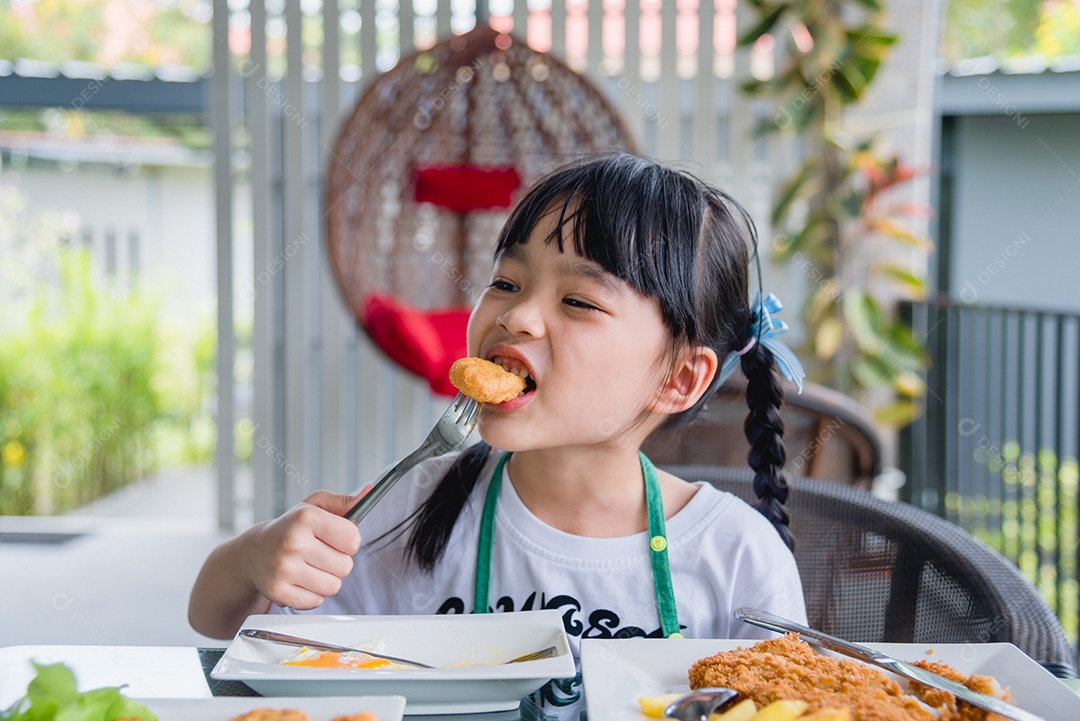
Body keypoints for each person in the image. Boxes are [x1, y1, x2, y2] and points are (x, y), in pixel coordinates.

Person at [189, 153, 807, 717]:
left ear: (678, 379)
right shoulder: (412, 506)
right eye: (507, 283)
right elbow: (222, 625)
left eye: (579, 301)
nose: (514, 315)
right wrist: (254, 556)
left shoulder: (737, 556)